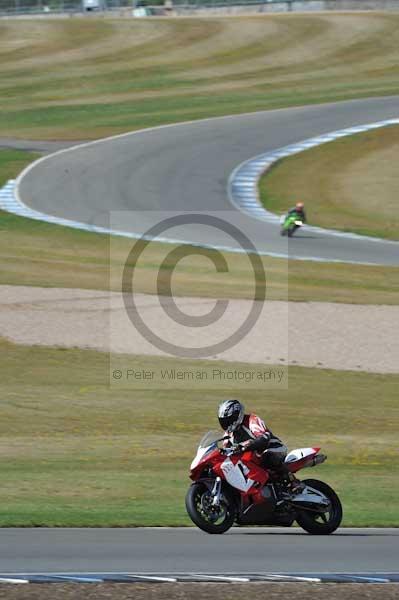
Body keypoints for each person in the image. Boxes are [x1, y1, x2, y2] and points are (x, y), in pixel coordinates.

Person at [218, 399, 300, 494]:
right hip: (252, 458)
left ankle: (293, 482)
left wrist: (244, 447)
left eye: (229, 420)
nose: (227, 423)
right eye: (224, 421)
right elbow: (226, 450)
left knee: (266, 456)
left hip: (273, 448)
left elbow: (264, 437)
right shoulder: (228, 434)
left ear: (237, 416)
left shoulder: (252, 420)